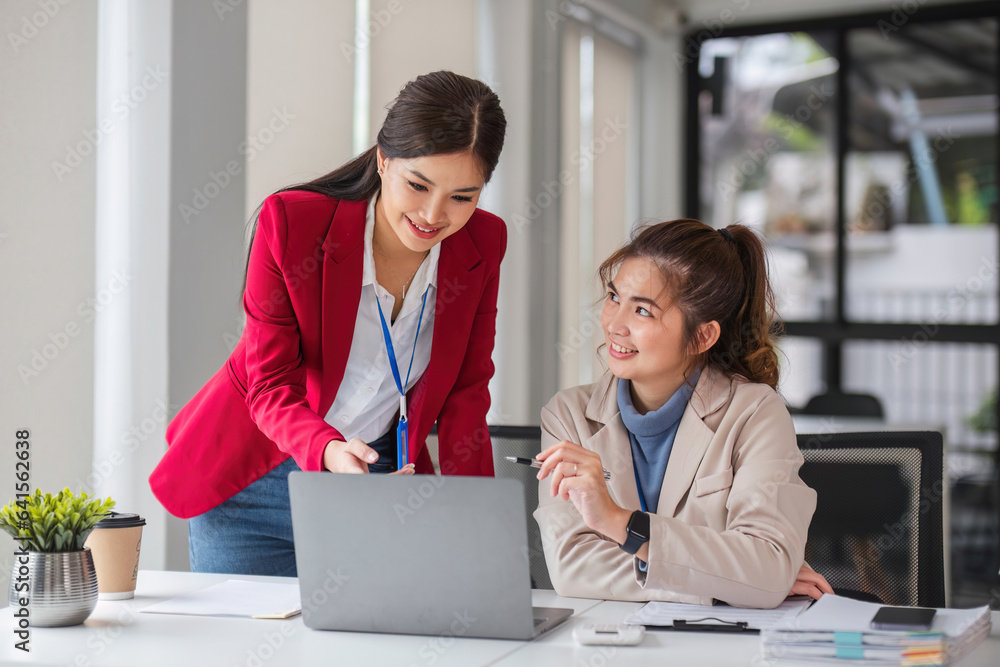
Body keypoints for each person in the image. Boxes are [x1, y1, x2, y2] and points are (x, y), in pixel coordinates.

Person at [149, 71, 508, 576]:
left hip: (376, 481)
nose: (433, 215)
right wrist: (328, 449)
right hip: (257, 484)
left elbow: (468, 392)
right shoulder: (294, 224)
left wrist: (478, 525)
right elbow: (267, 382)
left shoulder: (482, 244)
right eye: (418, 185)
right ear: (383, 160)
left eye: (462, 197)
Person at [533, 219, 834, 608]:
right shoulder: (568, 415)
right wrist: (727, 583)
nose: (614, 324)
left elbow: (767, 564)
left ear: (702, 336)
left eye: (642, 310)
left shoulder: (755, 413)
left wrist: (617, 522)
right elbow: (572, 567)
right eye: (613, 297)